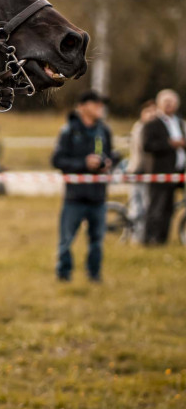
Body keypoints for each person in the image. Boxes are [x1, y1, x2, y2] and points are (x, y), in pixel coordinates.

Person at [51, 90, 118, 282]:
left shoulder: (104, 130)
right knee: (66, 240)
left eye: (101, 104)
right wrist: (83, 163)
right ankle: (64, 275)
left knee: (97, 241)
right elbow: (57, 160)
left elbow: (112, 155)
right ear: (82, 106)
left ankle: (94, 275)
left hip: (98, 196)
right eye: (95, 103)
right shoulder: (69, 130)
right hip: (75, 196)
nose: (100, 107)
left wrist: (106, 162)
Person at [141, 89, 186, 245]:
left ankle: (162, 240)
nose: (169, 105)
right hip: (158, 172)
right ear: (159, 104)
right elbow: (146, 145)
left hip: (176, 172)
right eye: (166, 102)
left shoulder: (180, 122)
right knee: (155, 208)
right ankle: (149, 240)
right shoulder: (152, 123)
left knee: (168, 209)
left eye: (172, 102)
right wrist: (169, 144)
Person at [127, 99, 157, 242]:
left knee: (145, 206)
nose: (151, 115)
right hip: (138, 170)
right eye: (148, 111)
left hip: (146, 172)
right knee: (138, 208)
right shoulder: (140, 128)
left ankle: (142, 236)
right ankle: (136, 238)